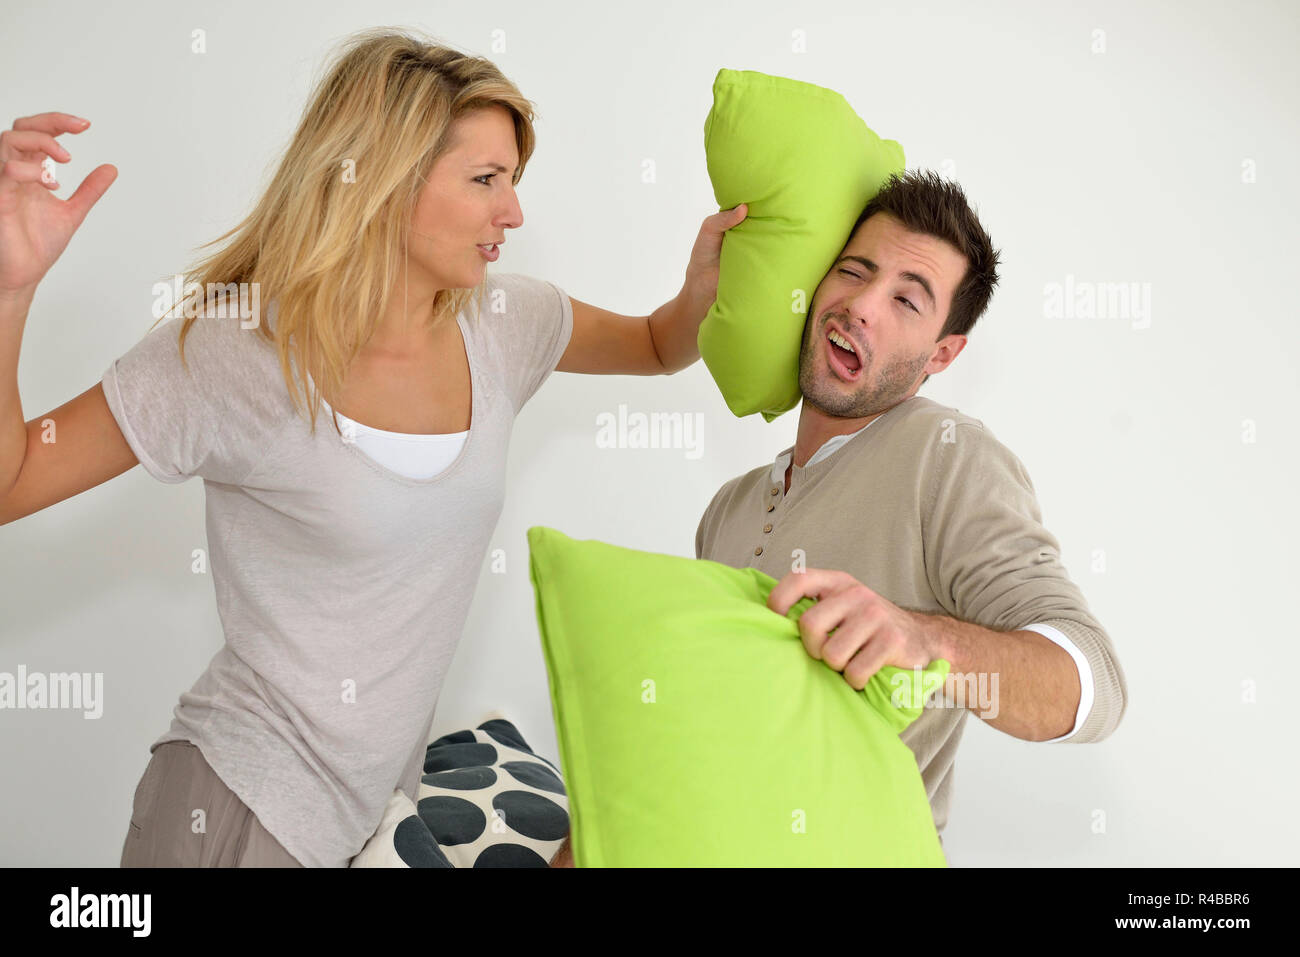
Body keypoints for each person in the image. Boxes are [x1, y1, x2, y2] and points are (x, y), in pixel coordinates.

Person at [0, 27, 745, 867]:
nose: (514, 210)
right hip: (239, 805)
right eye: (486, 179)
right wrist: (11, 286)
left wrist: (701, 289)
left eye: (514, 179)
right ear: (384, 182)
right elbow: (14, 478)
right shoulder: (237, 351)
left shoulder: (505, 324)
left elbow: (653, 344)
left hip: (367, 818)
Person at [549, 169, 1128, 866]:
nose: (861, 306)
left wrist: (923, 640)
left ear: (940, 354)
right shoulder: (726, 509)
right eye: (854, 271)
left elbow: (1093, 684)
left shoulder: (947, 458)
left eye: (907, 302)